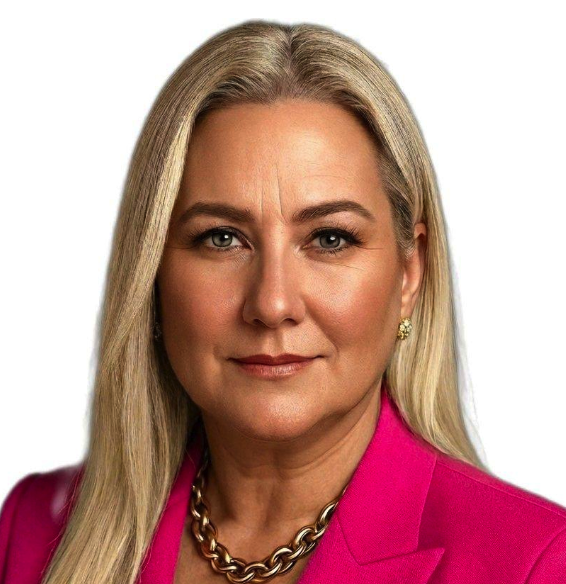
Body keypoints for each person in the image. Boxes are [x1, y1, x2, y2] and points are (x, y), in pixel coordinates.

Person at [1, 20, 565, 584]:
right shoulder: (28, 530)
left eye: (329, 239)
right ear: (151, 273)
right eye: (222, 238)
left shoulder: (535, 564)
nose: (272, 304)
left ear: (409, 274)